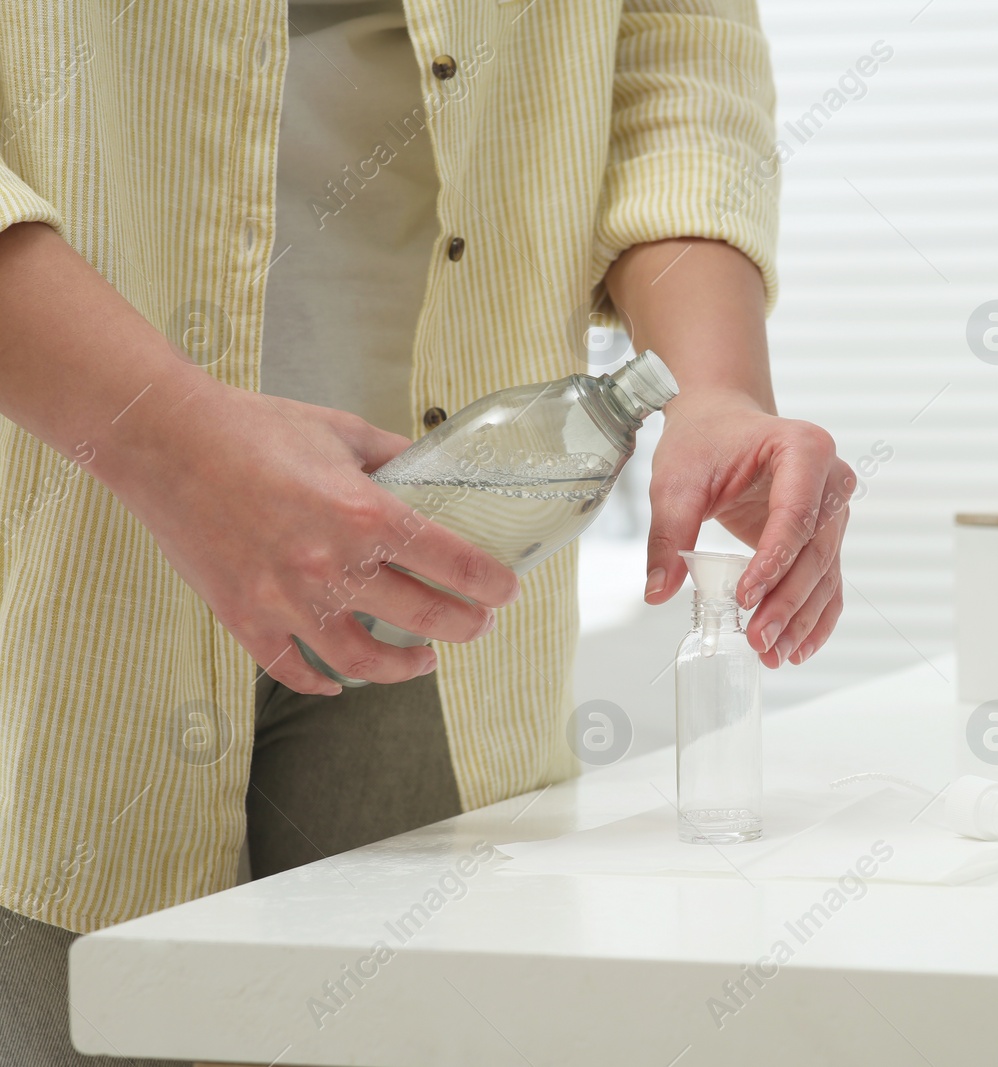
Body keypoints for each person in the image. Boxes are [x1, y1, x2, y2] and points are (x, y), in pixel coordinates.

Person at [0, 3, 850, 1062]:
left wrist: (714, 385)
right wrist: (165, 439)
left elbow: (672, 46)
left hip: (442, 580)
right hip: (58, 549)